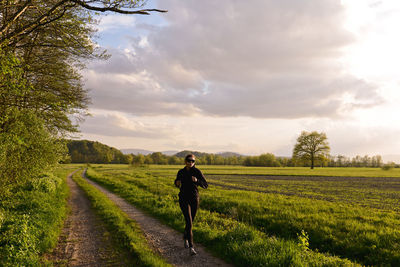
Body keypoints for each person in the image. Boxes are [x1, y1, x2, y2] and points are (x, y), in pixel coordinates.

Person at [174, 154, 208, 256]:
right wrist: (177, 183)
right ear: (185, 161)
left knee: (190, 222)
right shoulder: (181, 172)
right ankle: (191, 247)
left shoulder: (197, 172)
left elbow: (205, 185)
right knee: (188, 221)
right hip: (183, 198)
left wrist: (197, 181)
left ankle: (185, 237)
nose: (191, 163)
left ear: (194, 162)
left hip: (194, 199)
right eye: (189, 161)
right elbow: (176, 182)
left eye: (193, 161)